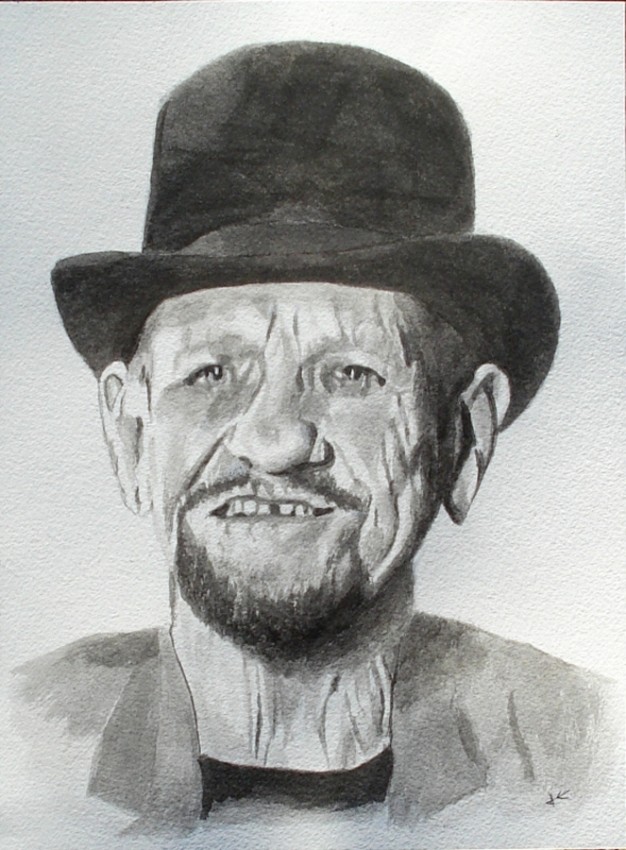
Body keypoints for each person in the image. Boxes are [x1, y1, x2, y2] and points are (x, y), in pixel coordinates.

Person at [14, 41, 622, 840]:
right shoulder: (25, 748)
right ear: (130, 432)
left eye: (351, 376)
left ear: (465, 436)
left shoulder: (588, 756)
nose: (273, 441)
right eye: (211, 373)